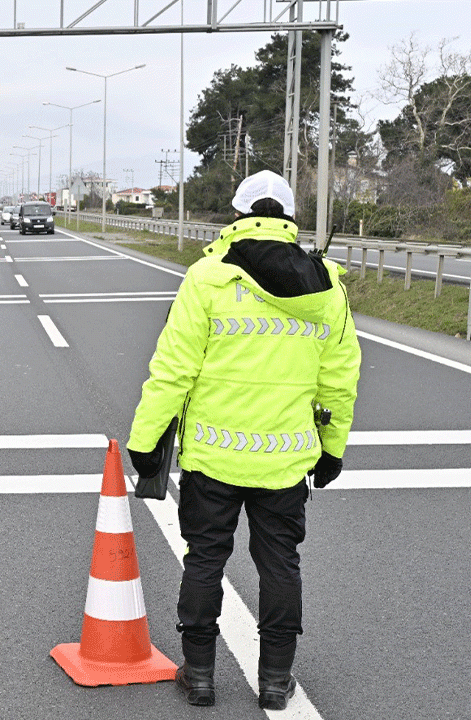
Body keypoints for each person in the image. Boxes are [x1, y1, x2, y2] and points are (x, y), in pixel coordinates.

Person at [127, 170, 360, 710]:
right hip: (284, 463)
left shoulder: (208, 277)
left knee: (205, 559)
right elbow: (340, 380)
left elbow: (172, 370)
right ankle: (276, 682)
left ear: (236, 217)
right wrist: (332, 448)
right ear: (291, 221)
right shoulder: (327, 287)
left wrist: (146, 441)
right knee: (281, 564)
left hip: (213, 458)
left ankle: (201, 676)